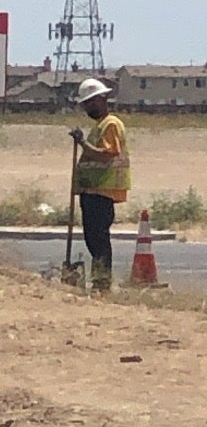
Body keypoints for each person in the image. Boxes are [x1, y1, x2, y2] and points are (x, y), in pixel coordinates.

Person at [71, 80, 130, 289]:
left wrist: (82, 143)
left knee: (98, 241)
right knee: (93, 240)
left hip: (102, 192)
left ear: (102, 99)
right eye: (85, 104)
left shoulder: (110, 124)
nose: (87, 108)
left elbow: (107, 155)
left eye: (90, 103)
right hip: (93, 191)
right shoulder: (100, 125)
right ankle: (100, 280)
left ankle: (102, 281)